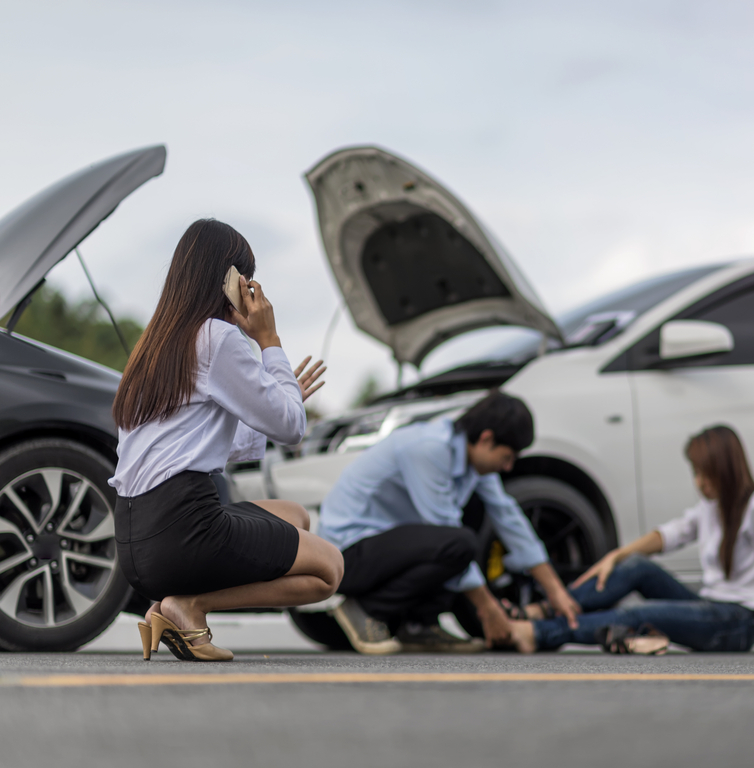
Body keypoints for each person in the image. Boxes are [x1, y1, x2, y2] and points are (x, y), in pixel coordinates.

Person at [110, 219, 345, 662]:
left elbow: (210, 442)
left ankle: (173, 603)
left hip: (136, 539)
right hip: (184, 528)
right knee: (329, 569)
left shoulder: (154, 346)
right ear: (232, 281)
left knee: (295, 517)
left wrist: (276, 393)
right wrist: (269, 343)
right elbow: (293, 427)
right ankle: (190, 605)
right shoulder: (219, 338)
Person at [505, 425, 754, 655]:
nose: (700, 482)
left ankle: (538, 631)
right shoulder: (712, 507)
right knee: (638, 566)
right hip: (713, 606)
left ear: (727, 469)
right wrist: (616, 555)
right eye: (696, 473)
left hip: (738, 623)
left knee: (638, 613)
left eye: (706, 473)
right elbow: (668, 535)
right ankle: (548, 609)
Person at [316, 391, 580, 654]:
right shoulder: (429, 448)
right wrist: (488, 608)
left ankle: (420, 626)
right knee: (459, 542)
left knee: (472, 519)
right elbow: (446, 530)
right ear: (487, 438)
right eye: (507, 457)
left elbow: (508, 517)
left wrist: (555, 591)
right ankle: (365, 610)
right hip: (343, 557)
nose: (508, 467)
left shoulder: (472, 459)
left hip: (382, 549)